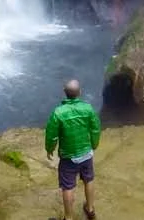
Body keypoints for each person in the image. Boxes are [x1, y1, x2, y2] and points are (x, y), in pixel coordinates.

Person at [45, 78, 100, 220]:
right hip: (86, 153)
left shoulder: (58, 113)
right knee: (89, 179)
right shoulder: (87, 108)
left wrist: (49, 149)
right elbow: (95, 129)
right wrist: (94, 144)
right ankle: (90, 209)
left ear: (65, 93)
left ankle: (68, 217)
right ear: (80, 92)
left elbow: (51, 136)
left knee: (68, 186)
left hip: (68, 157)